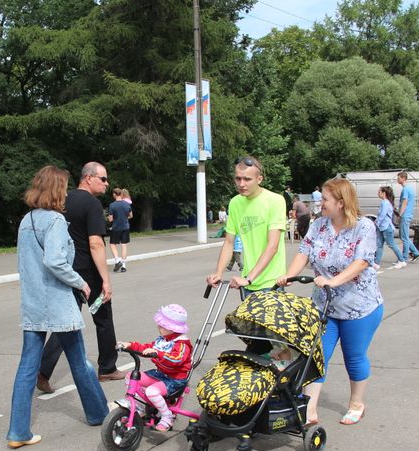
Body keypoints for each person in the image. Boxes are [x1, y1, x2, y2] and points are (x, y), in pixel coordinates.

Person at [8, 165, 110, 448]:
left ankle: (18, 431)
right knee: (79, 360)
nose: (66, 192)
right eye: (63, 187)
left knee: (27, 365)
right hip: (57, 301)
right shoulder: (54, 221)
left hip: (33, 302)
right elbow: (55, 261)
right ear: (56, 189)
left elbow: (23, 264)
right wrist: (80, 282)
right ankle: (99, 413)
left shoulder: (26, 220)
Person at [276, 177, 383, 426]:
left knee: (353, 357)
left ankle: (356, 403)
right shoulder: (319, 225)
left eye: (325, 199)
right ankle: (310, 409)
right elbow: (304, 251)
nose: (320, 203)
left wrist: (334, 281)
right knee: (316, 355)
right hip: (324, 306)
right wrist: (289, 276)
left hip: (360, 307)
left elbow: (362, 262)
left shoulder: (363, 227)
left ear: (341, 203)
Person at [38, 161, 120, 392]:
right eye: (103, 179)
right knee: (103, 317)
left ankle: (42, 371)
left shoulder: (63, 201)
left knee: (67, 321)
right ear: (88, 178)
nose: (107, 184)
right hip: (88, 273)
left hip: (67, 271)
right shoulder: (92, 204)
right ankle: (107, 368)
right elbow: (96, 243)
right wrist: (105, 279)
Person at [206, 156, 287, 300]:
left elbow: (272, 246)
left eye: (247, 179)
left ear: (259, 179)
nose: (241, 184)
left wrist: (249, 278)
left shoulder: (275, 201)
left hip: (271, 283)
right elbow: (229, 242)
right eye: (238, 179)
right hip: (248, 283)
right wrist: (219, 273)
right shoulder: (235, 203)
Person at [117, 304, 192, 432]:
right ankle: (138, 408)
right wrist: (130, 345)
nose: (159, 327)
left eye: (163, 325)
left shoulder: (182, 345)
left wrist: (158, 353)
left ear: (173, 328)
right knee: (131, 376)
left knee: (151, 391)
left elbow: (176, 360)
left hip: (175, 380)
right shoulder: (163, 340)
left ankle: (167, 415)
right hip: (160, 375)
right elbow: (147, 348)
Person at [374, 186, 404, 269]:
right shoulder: (385, 202)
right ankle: (376, 263)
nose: (378, 193)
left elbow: (382, 215)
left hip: (386, 227)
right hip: (382, 227)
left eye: (379, 192)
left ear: (384, 193)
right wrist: (377, 221)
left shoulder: (385, 203)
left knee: (391, 244)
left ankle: (401, 260)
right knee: (379, 244)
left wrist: (377, 223)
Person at [396, 171, 419, 264]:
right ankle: (415, 252)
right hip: (408, 214)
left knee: (404, 237)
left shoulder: (405, 189)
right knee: (404, 236)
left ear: (403, 178)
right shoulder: (410, 188)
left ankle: (404, 257)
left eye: (398, 178)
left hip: (405, 214)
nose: (397, 179)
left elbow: (405, 202)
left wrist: (400, 214)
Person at [108, 188, 133, 273]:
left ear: (115, 194)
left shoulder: (112, 205)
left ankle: (117, 260)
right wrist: (125, 218)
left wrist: (109, 218)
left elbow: (110, 219)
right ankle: (124, 266)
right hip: (125, 227)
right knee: (124, 245)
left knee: (112, 244)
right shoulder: (126, 204)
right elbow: (131, 215)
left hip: (116, 228)